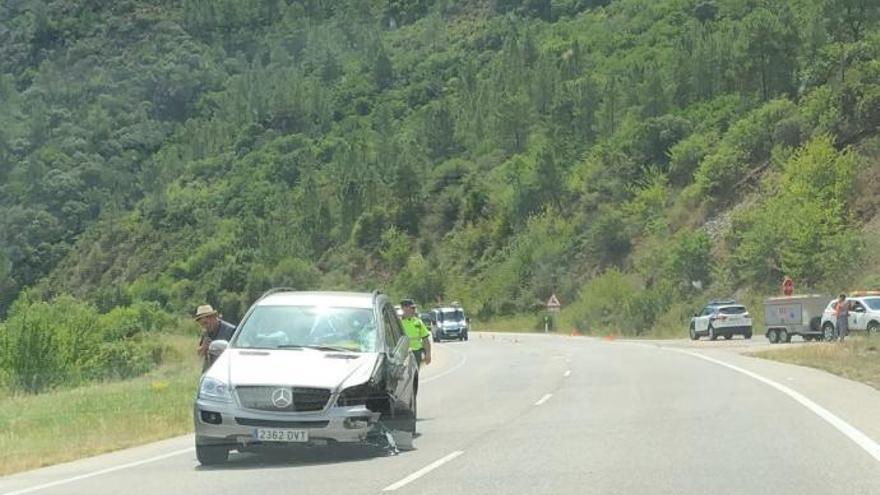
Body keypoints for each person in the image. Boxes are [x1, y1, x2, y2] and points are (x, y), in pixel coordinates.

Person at [195, 304, 236, 371]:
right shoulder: (206, 332)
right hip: (210, 369)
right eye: (202, 324)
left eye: (206, 323)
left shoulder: (231, 330)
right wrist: (204, 347)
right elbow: (200, 354)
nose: (204, 326)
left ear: (213, 317)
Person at [399, 299, 432, 366]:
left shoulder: (418, 322)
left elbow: (425, 339)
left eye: (414, 308)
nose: (414, 310)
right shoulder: (398, 323)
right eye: (412, 308)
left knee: (415, 373)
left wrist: (428, 354)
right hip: (403, 353)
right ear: (404, 308)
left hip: (416, 352)